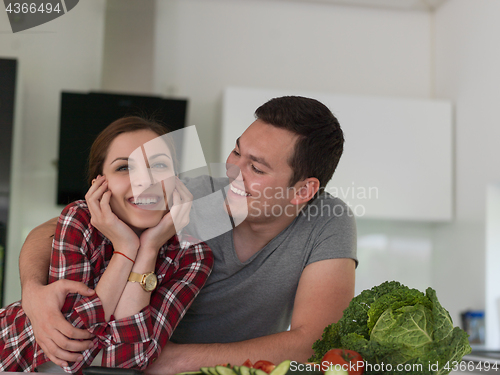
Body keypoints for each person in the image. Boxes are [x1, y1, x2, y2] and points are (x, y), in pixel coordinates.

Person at [17, 96, 357, 375]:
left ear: (303, 191)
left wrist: (176, 360)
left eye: (257, 167)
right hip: (126, 362)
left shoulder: (326, 220)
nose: (233, 171)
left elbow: (314, 340)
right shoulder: (197, 199)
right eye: (237, 152)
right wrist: (33, 291)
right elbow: (57, 227)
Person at [0, 117, 214, 373]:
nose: (144, 181)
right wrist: (125, 248)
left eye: (158, 165)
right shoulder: (79, 220)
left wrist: (147, 248)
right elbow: (68, 352)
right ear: (100, 183)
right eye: (124, 168)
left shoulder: (194, 256)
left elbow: (130, 359)